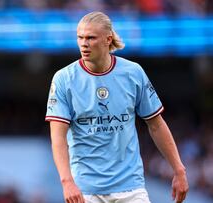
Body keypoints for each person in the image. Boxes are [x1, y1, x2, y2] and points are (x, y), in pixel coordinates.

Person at [45, 11, 189, 203]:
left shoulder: (133, 73)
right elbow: (58, 137)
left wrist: (179, 170)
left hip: (131, 188)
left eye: (91, 38)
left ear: (108, 39)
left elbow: (156, 125)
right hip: (86, 191)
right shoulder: (64, 79)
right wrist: (67, 181)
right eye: (80, 37)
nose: (84, 44)